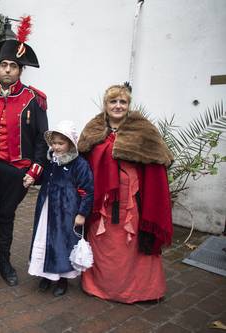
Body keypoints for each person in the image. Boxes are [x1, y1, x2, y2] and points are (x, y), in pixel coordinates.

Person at [0, 17, 49, 287]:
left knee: (6, 217)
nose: (7, 70)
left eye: (13, 66)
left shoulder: (33, 101)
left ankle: (4, 263)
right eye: (3, 65)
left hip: (16, 171)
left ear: (20, 70)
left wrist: (35, 170)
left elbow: (41, 139)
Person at [78, 84, 174, 303]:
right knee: (102, 242)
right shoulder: (94, 129)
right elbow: (82, 161)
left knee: (130, 244)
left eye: (123, 102)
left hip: (132, 202)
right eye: (113, 101)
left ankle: (140, 291)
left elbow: (158, 163)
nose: (118, 106)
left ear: (129, 105)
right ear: (106, 105)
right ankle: (98, 286)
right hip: (100, 202)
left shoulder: (143, 129)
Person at [28, 121, 94, 296]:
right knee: (44, 237)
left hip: (65, 211)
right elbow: (44, 177)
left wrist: (81, 213)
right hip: (47, 208)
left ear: (70, 143)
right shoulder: (51, 160)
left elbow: (87, 190)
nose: (56, 147)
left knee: (61, 242)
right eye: (54, 143)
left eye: (61, 143)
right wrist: (32, 178)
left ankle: (61, 278)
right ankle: (45, 275)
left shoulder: (79, 164)